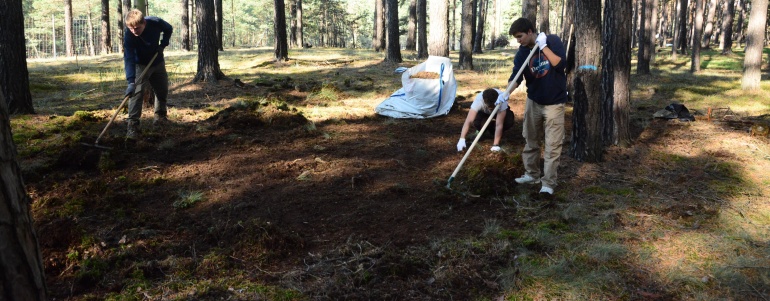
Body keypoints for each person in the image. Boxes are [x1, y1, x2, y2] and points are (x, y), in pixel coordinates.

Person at [495, 18, 567, 195]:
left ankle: (548, 184)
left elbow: (559, 64)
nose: (518, 40)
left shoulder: (552, 41)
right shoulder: (521, 53)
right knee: (531, 140)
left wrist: (543, 47)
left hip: (554, 103)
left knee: (552, 145)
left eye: (520, 36)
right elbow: (516, 77)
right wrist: (505, 94)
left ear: (529, 31)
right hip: (534, 102)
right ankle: (532, 174)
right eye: (516, 38)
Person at [123, 9, 173, 139]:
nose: (134, 31)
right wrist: (131, 82)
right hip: (140, 65)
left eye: (137, 28)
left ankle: (160, 117)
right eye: (131, 28)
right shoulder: (129, 36)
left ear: (144, 23)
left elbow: (169, 28)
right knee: (137, 92)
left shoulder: (155, 22)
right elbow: (128, 58)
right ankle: (132, 126)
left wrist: (163, 44)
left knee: (162, 90)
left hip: (157, 62)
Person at [456, 88, 515, 153]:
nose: (491, 108)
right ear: (484, 101)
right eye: (490, 107)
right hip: (484, 113)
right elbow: (469, 121)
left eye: (493, 106)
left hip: (498, 112)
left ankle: (494, 132)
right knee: (478, 123)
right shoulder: (478, 101)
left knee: (508, 121)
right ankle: (486, 129)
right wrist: (462, 139)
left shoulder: (502, 99)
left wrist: (496, 145)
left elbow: (499, 124)